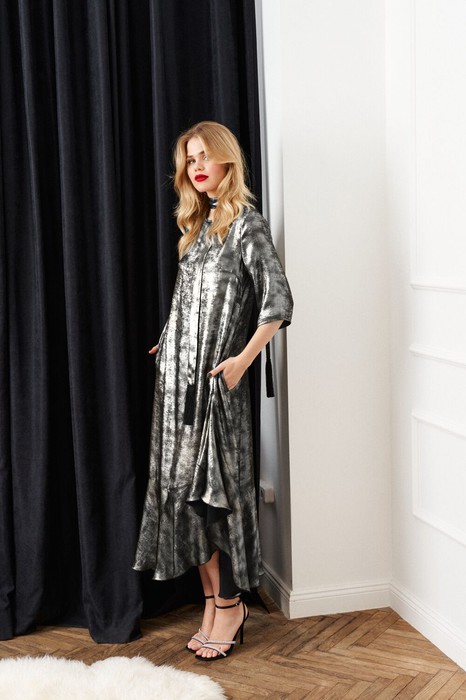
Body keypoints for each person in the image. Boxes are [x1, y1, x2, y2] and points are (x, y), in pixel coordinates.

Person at [132, 121, 293, 660]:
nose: (196, 166)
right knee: (182, 495)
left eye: (205, 155)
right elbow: (188, 301)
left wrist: (242, 362)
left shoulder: (247, 225)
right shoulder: (198, 228)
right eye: (189, 158)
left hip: (217, 385)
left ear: (227, 159)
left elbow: (278, 303)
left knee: (215, 497)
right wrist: (168, 338)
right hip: (176, 384)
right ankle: (210, 603)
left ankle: (230, 604)